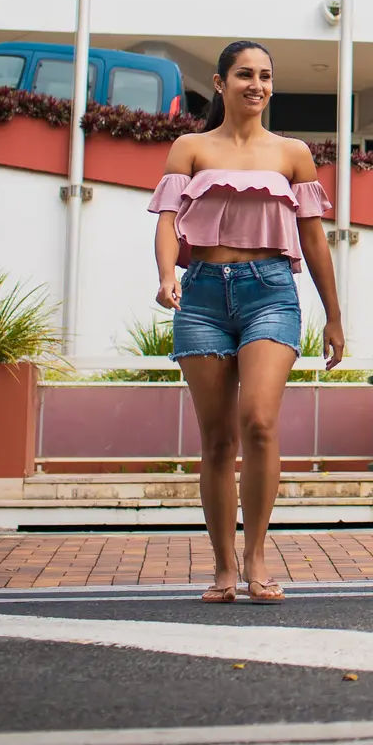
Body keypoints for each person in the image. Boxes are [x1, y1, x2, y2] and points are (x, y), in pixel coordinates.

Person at [149, 40, 344, 604]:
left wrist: (334, 316)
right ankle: (223, 565)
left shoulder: (292, 154)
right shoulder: (190, 147)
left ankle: (257, 556)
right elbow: (166, 221)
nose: (255, 85)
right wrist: (168, 274)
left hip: (271, 294)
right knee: (216, 440)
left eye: (264, 76)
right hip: (204, 296)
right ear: (220, 82)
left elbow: (314, 239)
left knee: (259, 420)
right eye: (243, 75)